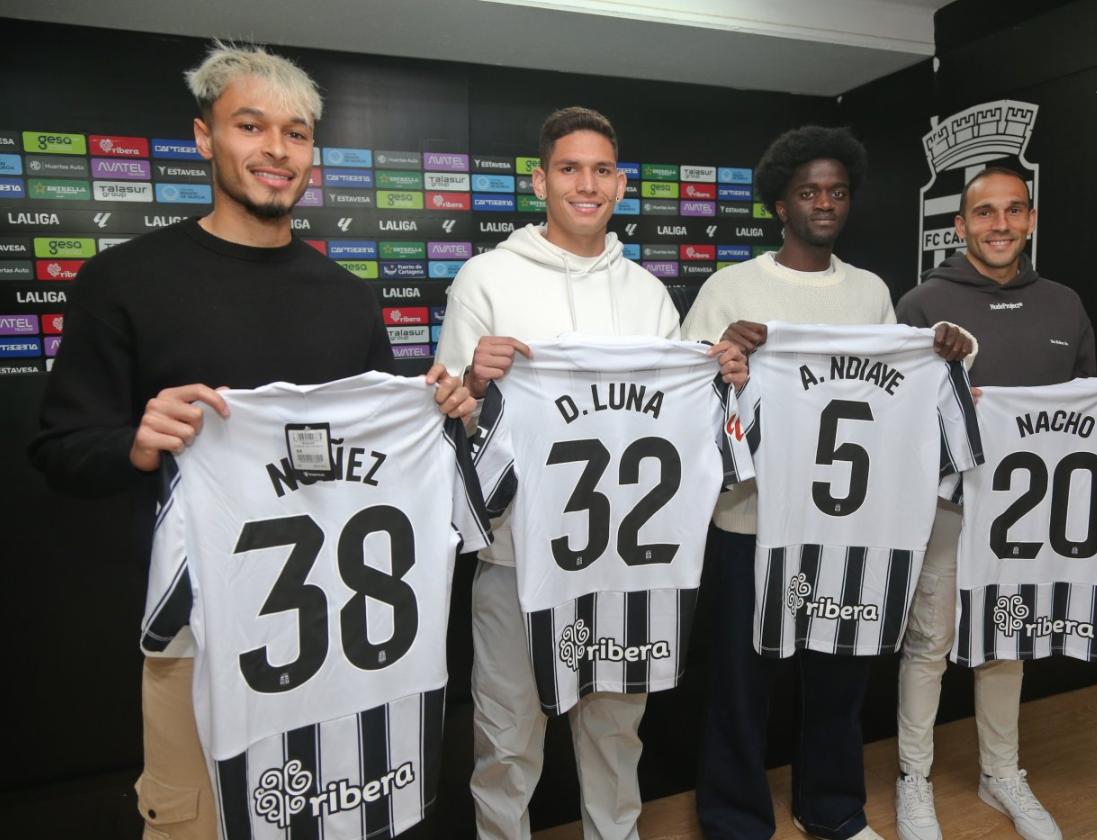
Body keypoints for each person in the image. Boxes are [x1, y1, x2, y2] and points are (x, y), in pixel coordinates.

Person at [28, 42, 473, 840]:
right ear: (204, 138)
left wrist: (439, 412)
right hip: (203, 641)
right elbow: (61, 450)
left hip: (345, 642)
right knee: (196, 826)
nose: (276, 150)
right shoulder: (123, 281)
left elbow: (375, 456)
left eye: (296, 133)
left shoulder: (345, 297)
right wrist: (136, 441)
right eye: (251, 125)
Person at [435, 106, 746, 840]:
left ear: (620, 183)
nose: (587, 183)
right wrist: (475, 387)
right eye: (570, 168)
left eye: (602, 169)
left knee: (614, 730)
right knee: (508, 734)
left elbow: (682, 418)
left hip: (624, 560)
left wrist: (721, 378)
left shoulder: (643, 291)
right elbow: (447, 418)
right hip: (516, 553)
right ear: (541, 179)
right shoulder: (485, 278)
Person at [683, 125, 973, 840]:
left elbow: (898, 397)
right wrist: (725, 359)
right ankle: (734, 821)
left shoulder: (872, 291)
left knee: (840, 675)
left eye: (837, 192)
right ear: (780, 203)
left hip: (847, 525)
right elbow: (686, 398)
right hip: (750, 524)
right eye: (809, 191)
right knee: (741, 688)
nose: (824, 203)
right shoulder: (731, 287)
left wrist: (945, 352)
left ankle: (834, 809)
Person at [892, 166, 1097, 840]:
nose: (999, 225)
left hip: (1026, 510)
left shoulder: (1065, 302)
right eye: (984, 213)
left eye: (1012, 212)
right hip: (950, 505)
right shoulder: (922, 303)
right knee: (930, 643)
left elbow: (1086, 397)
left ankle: (1000, 773)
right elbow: (897, 412)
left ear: (1031, 220)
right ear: (961, 225)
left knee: (1008, 639)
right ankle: (912, 778)